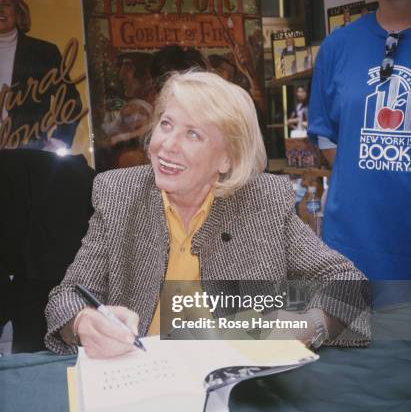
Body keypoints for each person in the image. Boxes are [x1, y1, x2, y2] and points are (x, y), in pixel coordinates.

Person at [45, 70, 370, 358]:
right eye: (166, 124)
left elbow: (348, 283)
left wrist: (308, 325)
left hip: (240, 390)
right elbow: (66, 297)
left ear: (227, 160)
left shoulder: (263, 202)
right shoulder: (119, 195)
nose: (167, 145)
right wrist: (83, 322)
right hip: (144, 382)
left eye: (193, 134)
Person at [308, 0, 411, 281]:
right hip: (352, 250)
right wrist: (368, 178)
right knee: (350, 339)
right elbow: (324, 134)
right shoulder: (338, 47)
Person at [0, 0, 83, 150]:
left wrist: (60, 141)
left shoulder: (44, 52)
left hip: (30, 155)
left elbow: (71, 101)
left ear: (18, 9)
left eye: (5, 4)